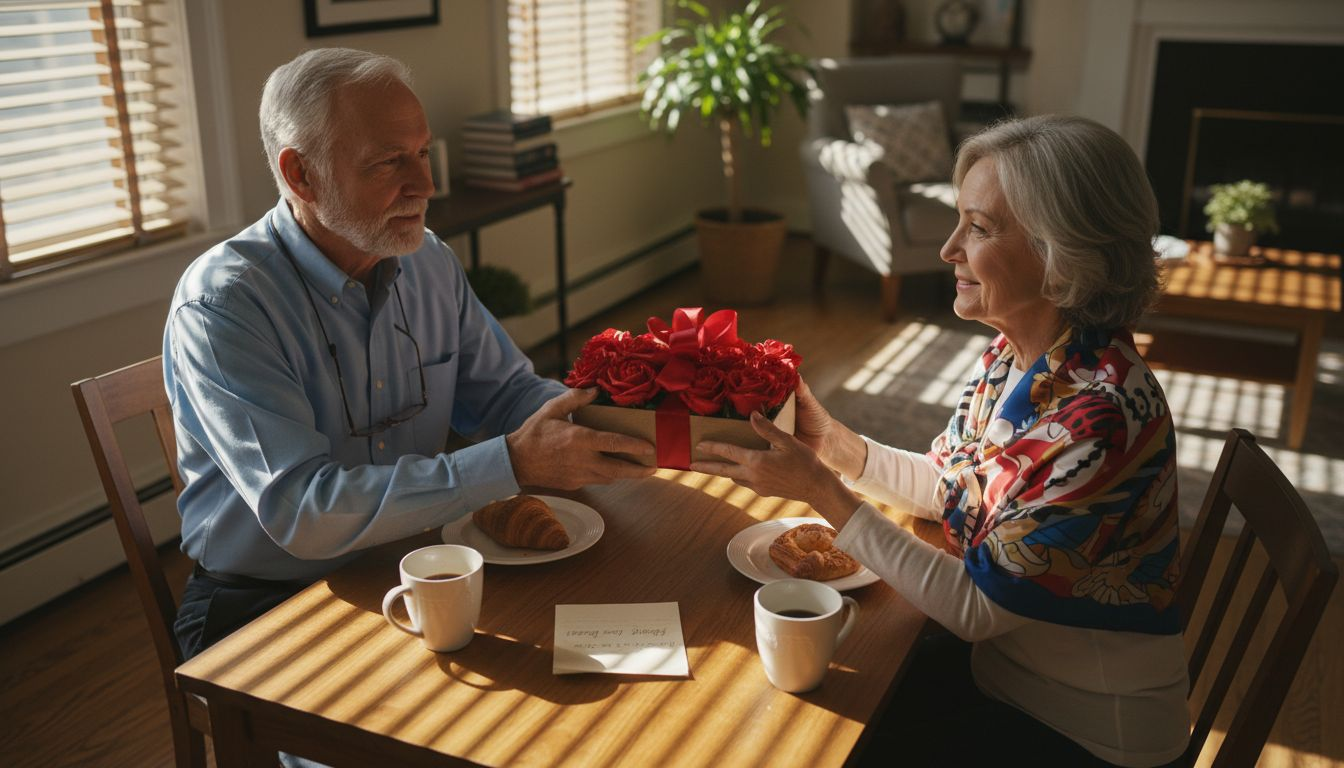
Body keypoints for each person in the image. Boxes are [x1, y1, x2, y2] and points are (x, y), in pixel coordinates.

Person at [693, 115, 1189, 767]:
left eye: (978, 228)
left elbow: (976, 608)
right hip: (1005, 674)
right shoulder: (1015, 356)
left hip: (1080, 734)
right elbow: (951, 487)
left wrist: (820, 494)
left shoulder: (1102, 413)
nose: (949, 248)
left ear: (1061, 250)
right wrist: (832, 446)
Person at [164, 48, 655, 661]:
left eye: (422, 152)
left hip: (416, 563)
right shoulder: (224, 305)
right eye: (388, 162)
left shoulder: (428, 262)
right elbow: (303, 513)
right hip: (268, 600)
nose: (426, 185)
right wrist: (511, 463)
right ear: (301, 176)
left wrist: (622, 425)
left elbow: (506, 395)